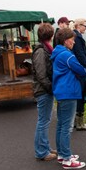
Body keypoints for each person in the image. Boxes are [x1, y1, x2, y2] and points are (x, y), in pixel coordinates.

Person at [51, 28, 86, 170]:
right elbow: (81, 70)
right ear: (66, 40)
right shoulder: (67, 55)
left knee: (61, 125)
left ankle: (62, 154)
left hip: (61, 92)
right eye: (72, 39)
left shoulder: (57, 53)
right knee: (66, 126)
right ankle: (67, 159)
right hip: (69, 92)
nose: (74, 41)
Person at [32, 23, 57, 161]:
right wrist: (50, 88)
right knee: (43, 121)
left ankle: (45, 147)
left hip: (43, 90)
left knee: (45, 120)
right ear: (50, 35)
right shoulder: (41, 51)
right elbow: (41, 75)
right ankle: (41, 152)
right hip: (43, 90)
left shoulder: (44, 49)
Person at [72, 18, 86, 131]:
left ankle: (76, 121)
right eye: (85, 26)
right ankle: (80, 123)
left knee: (79, 95)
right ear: (78, 26)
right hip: (81, 71)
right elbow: (81, 55)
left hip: (79, 70)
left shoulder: (76, 36)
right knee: (81, 96)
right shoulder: (78, 37)